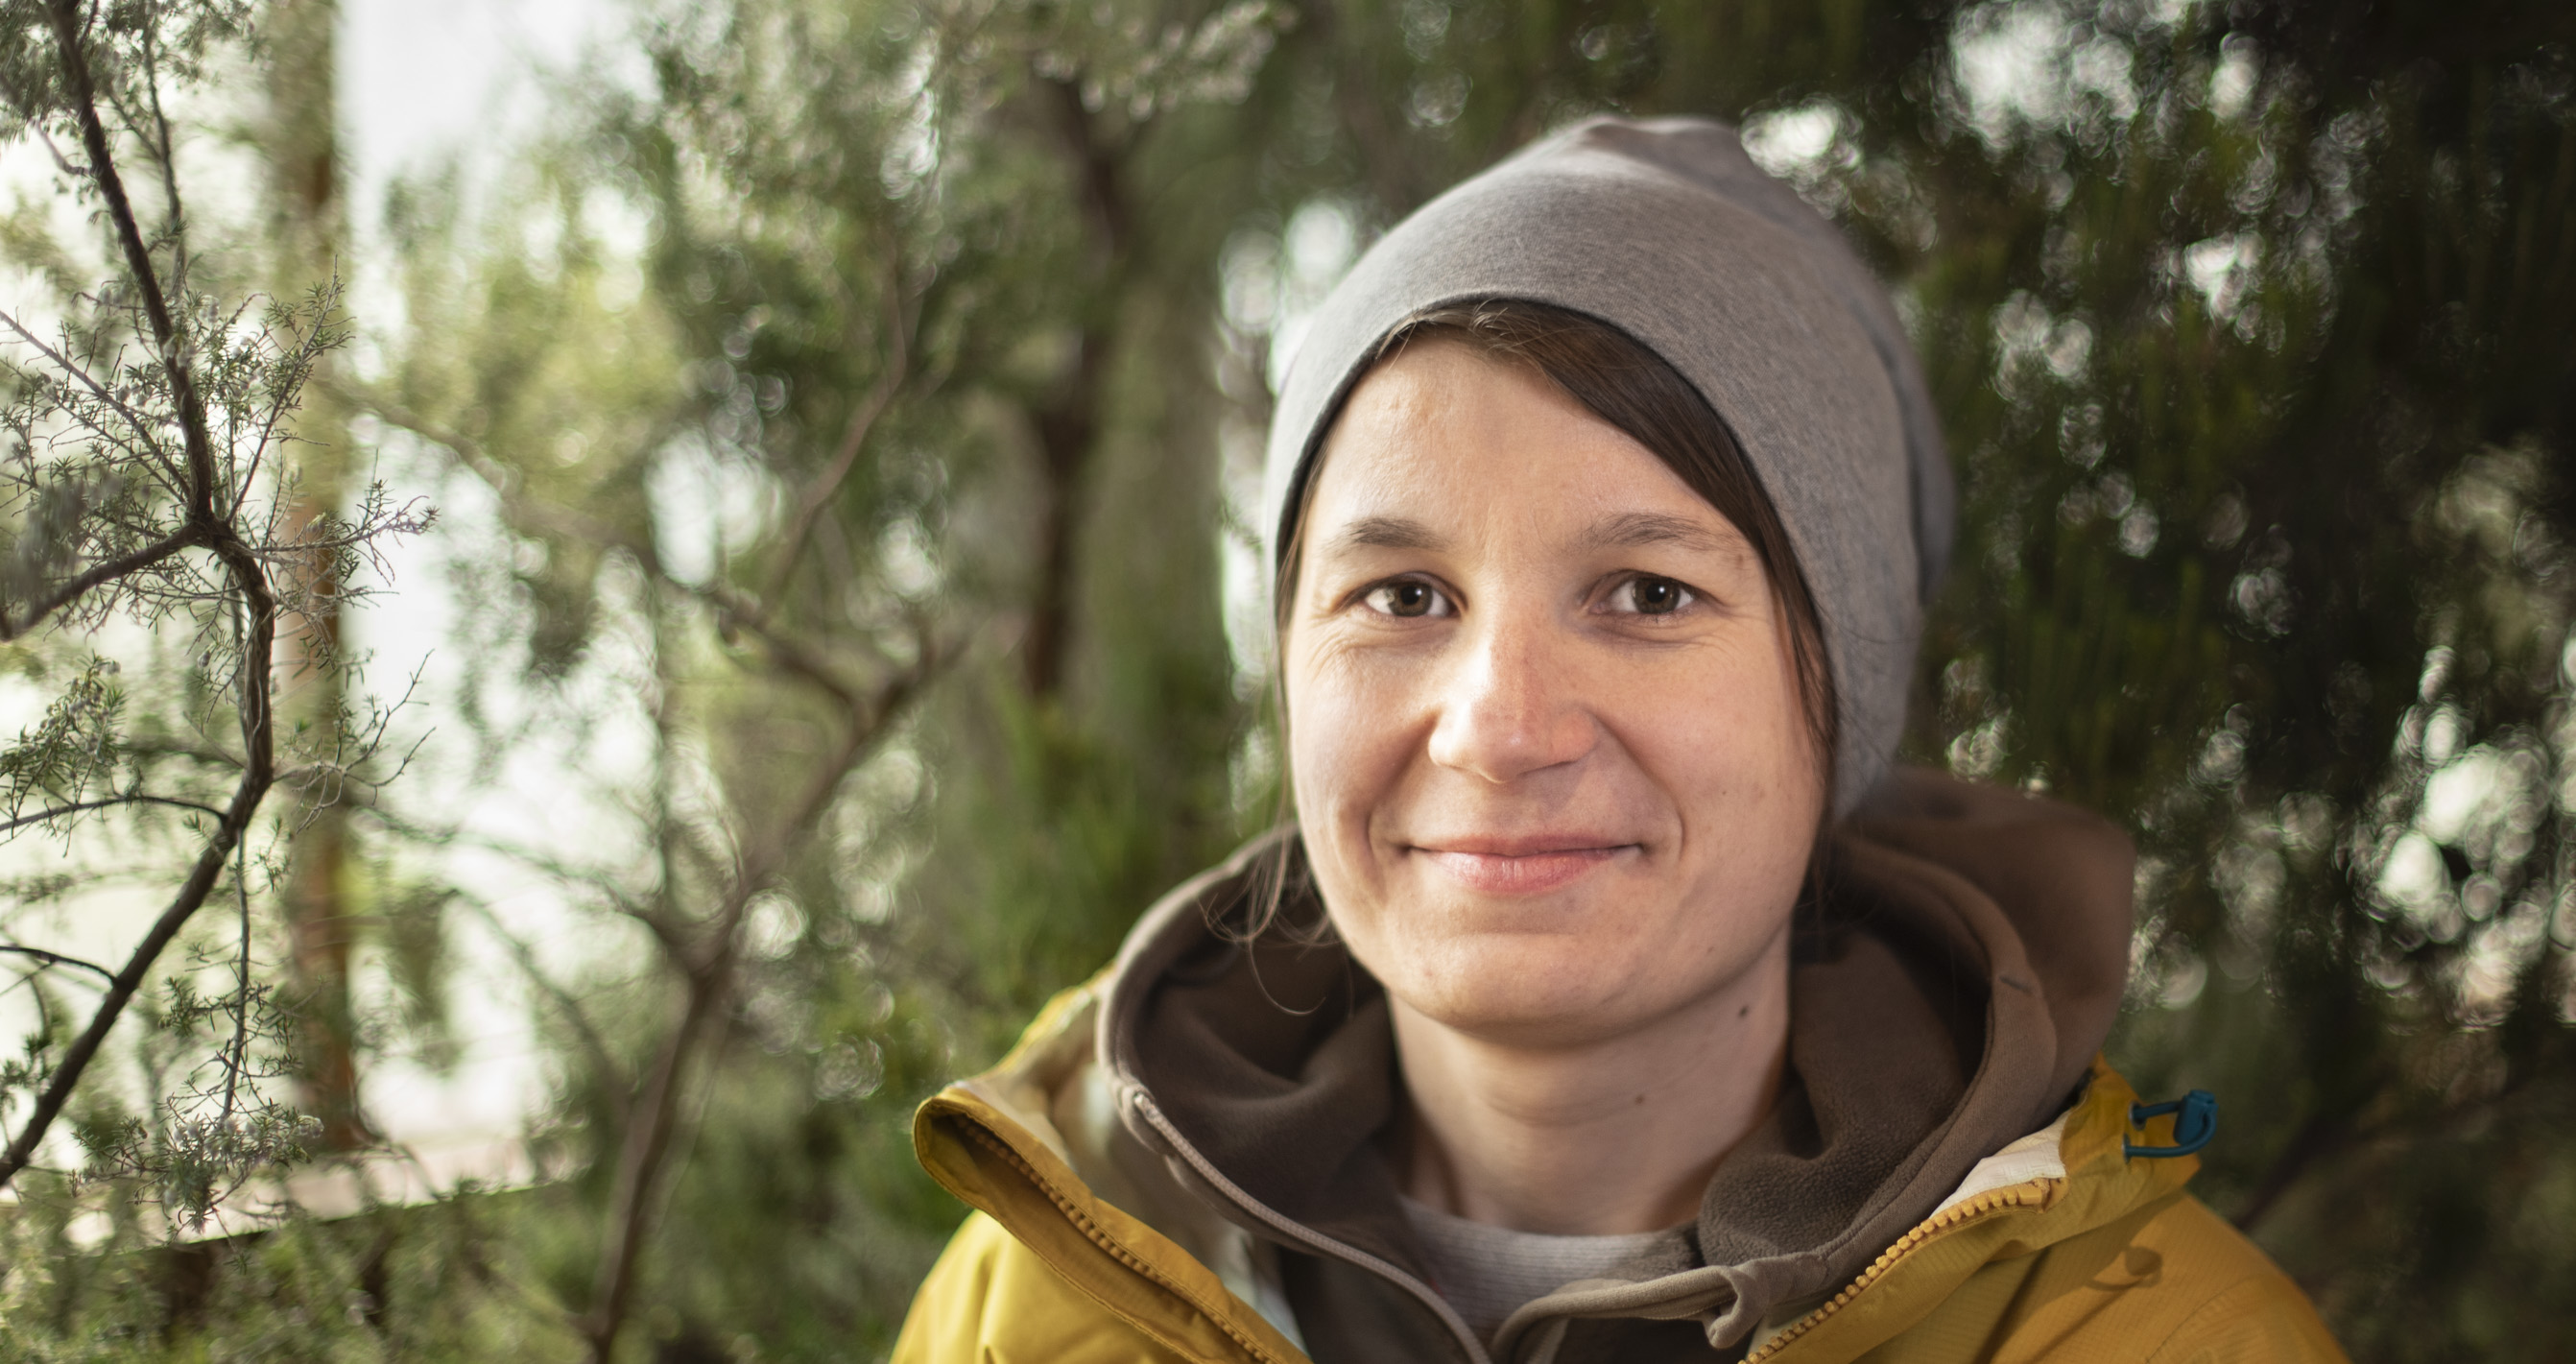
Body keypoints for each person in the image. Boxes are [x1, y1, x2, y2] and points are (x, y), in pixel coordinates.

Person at [892, 116, 2345, 1364]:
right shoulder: (1028, 1302)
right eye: (1404, 595)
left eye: (1647, 594)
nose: (1499, 728)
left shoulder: (2165, 1341)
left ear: (1842, 686)